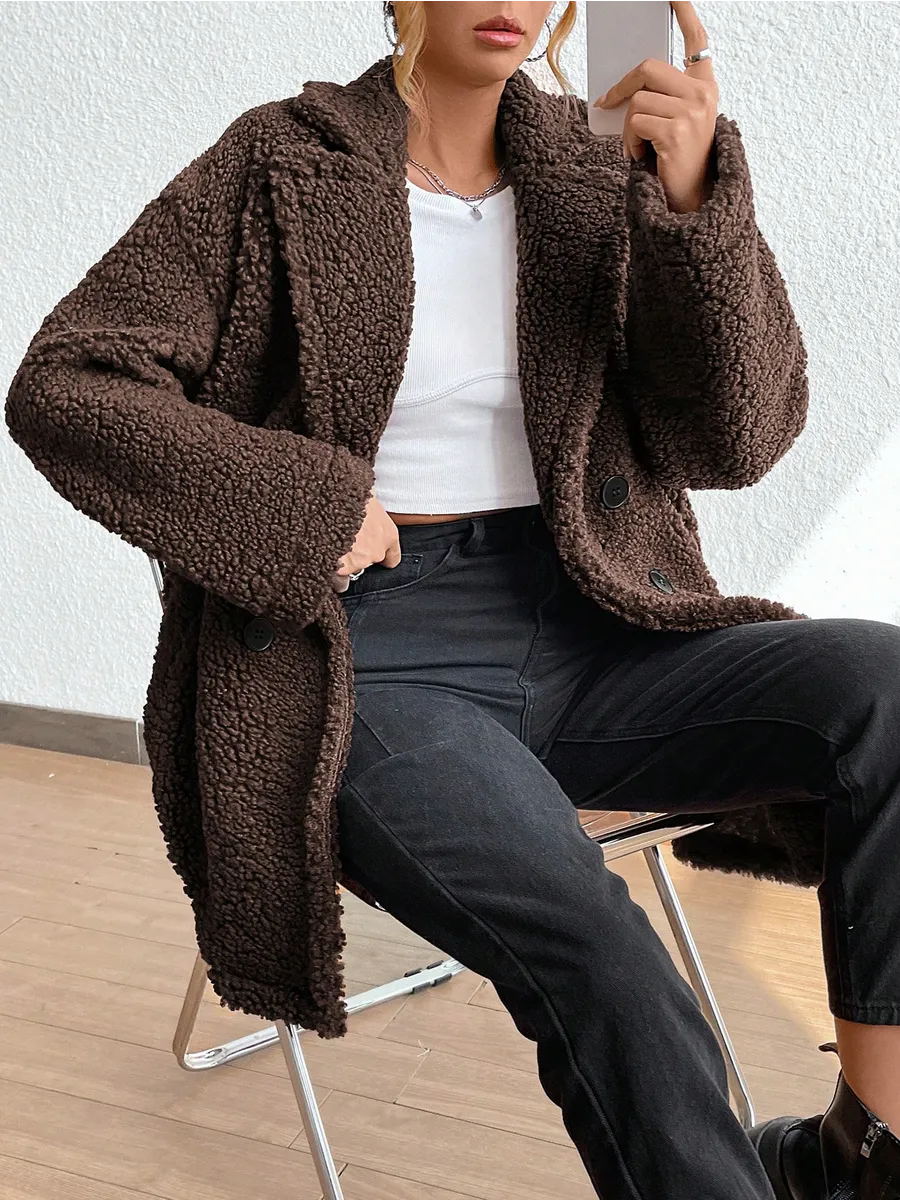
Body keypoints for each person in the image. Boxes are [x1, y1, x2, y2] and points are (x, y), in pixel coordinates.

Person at [4, 1, 897, 1197]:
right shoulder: (282, 160)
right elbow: (68, 383)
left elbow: (738, 439)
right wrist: (308, 508)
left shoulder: (602, 171)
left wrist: (692, 208)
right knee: (595, 942)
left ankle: (864, 1156)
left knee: (884, 691)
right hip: (371, 655)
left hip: (598, 625)